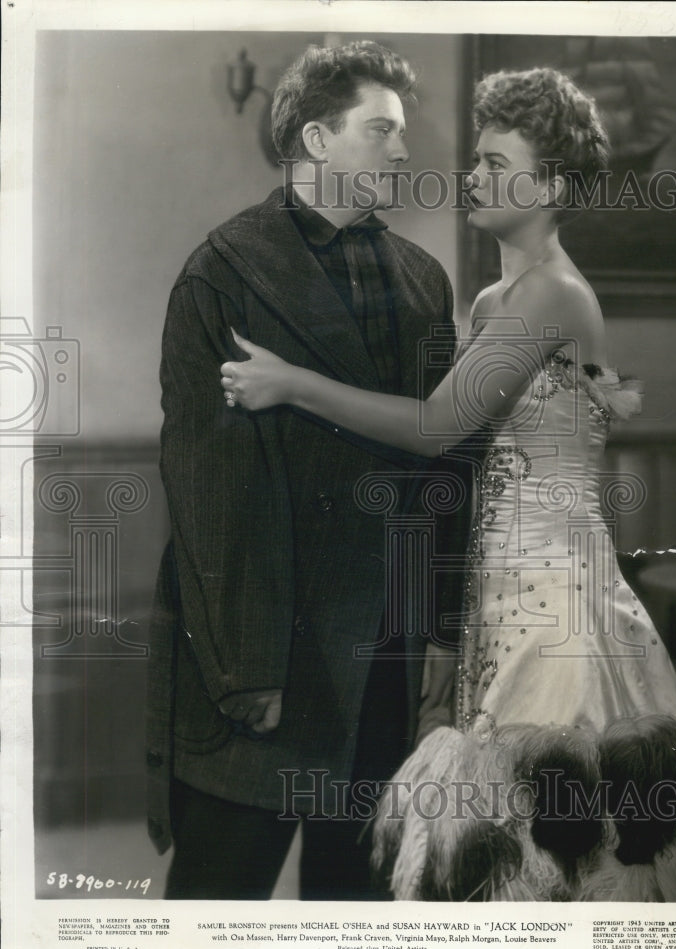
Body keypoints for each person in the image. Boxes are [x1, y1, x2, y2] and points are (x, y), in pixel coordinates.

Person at [220, 67, 676, 901]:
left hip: (556, 595)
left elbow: (434, 428)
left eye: (499, 164)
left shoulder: (551, 294)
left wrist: (292, 383)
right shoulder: (500, 295)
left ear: (554, 185)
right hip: (505, 587)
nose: (475, 178)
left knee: (556, 837)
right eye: (479, 160)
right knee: (505, 833)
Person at [146, 39, 470, 900]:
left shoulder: (423, 278)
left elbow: (449, 465)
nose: (402, 151)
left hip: (391, 645)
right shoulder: (222, 275)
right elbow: (211, 488)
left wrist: (440, 625)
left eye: (400, 133)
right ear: (318, 141)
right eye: (381, 131)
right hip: (274, 645)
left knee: (360, 903)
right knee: (217, 901)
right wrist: (246, 667)